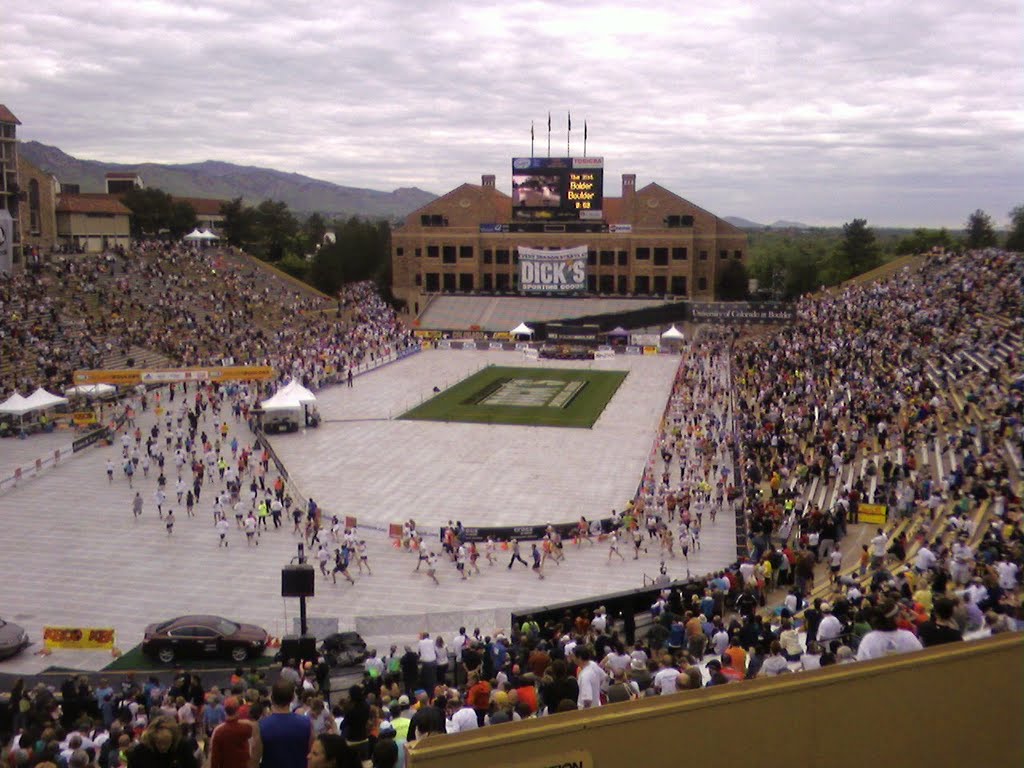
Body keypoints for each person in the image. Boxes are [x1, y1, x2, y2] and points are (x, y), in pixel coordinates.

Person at [252, 679, 312, 768]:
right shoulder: (307, 724)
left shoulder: (261, 726)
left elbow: (254, 760)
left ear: (272, 698)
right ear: (292, 698)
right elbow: (313, 755)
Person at [126, 716, 198, 768]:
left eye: (167, 743)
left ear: (173, 739)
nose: (163, 747)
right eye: (159, 743)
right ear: (153, 739)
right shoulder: (140, 751)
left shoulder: (182, 747)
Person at [208, 697, 256, 768]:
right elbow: (253, 749)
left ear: (225, 711)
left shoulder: (219, 731)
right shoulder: (246, 728)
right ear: (238, 709)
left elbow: (214, 756)